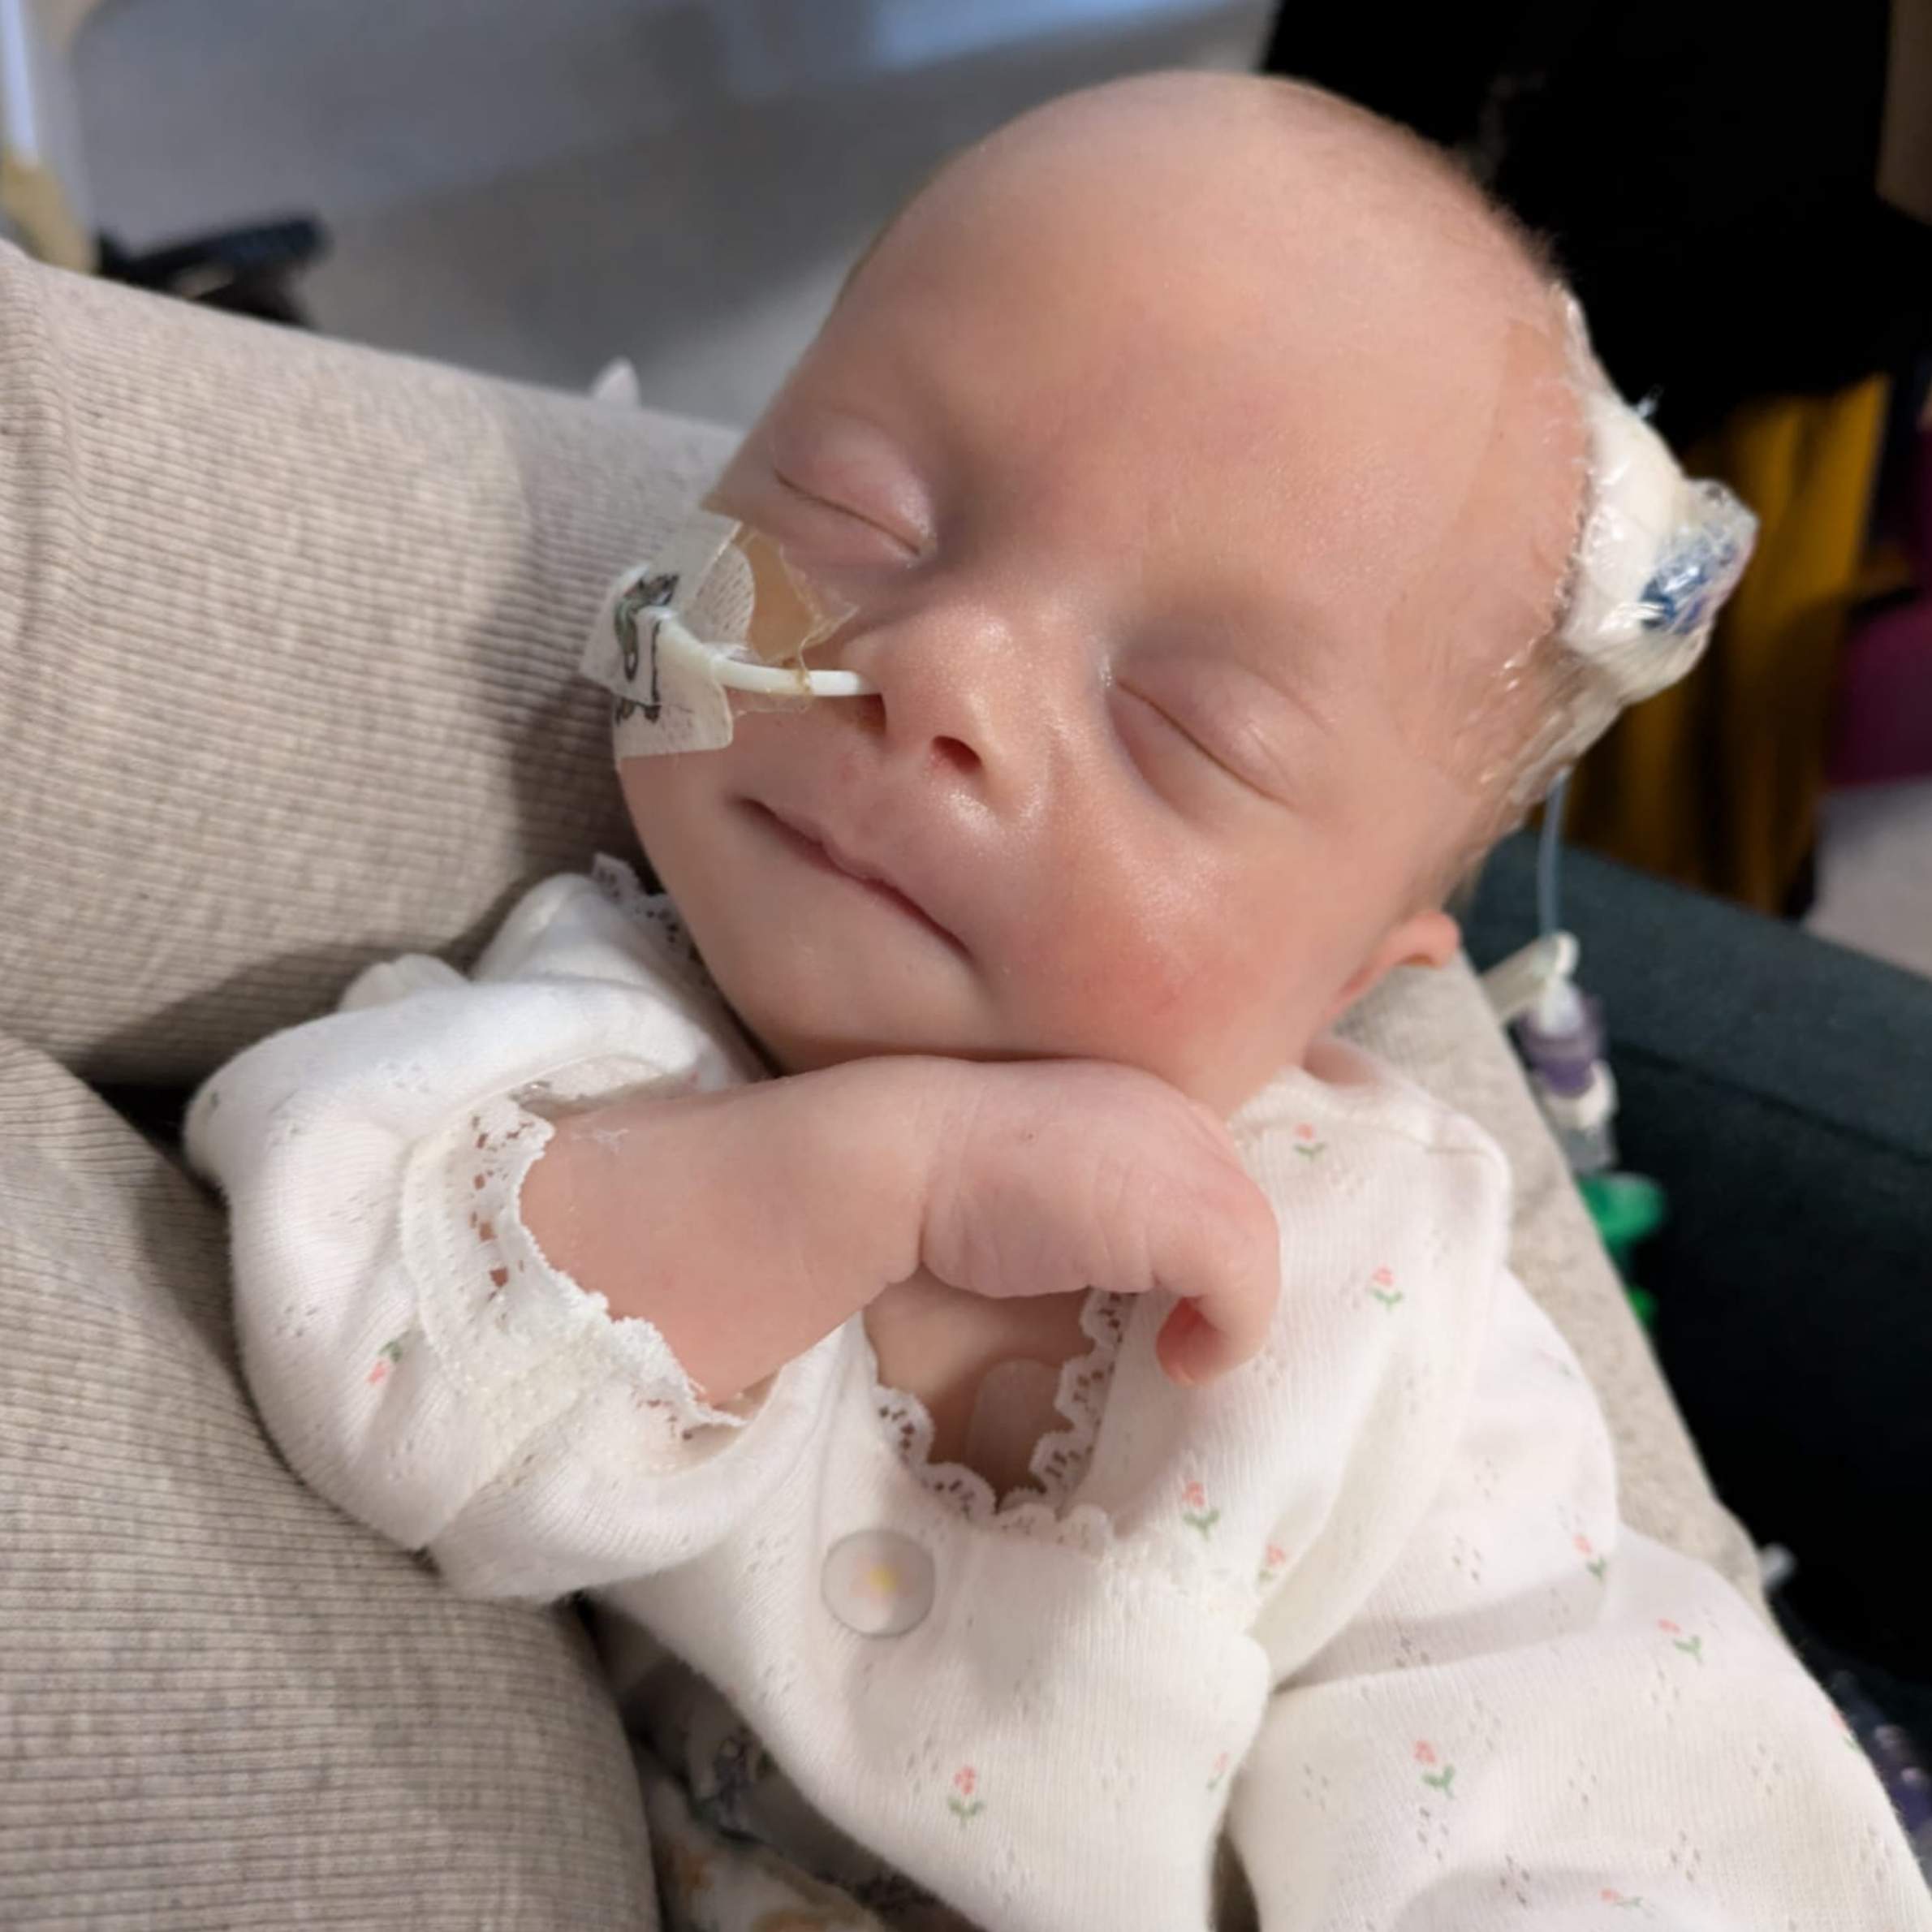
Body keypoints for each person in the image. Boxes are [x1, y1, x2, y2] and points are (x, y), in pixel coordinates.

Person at [181, 71, 1930, 1930]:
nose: (940, 667)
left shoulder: (1366, 1277)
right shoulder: (595, 1033)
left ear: (1354, 981)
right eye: (861, 509)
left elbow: (1583, 1762)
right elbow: (376, 1353)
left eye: (1182, 724)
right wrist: (879, 1173)